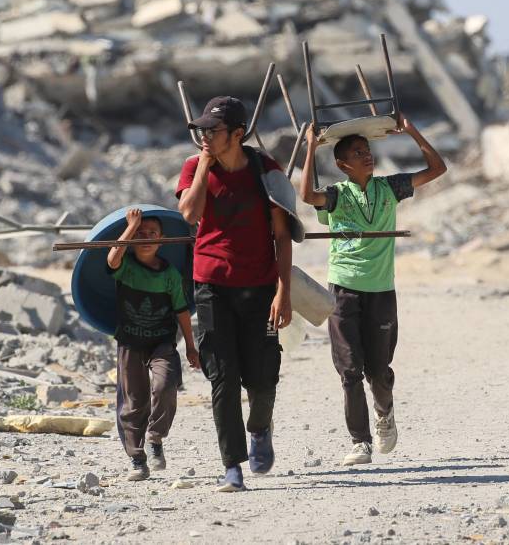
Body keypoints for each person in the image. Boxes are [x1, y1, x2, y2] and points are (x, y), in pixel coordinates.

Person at [299, 113, 446, 466]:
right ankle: (360, 441)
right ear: (342, 164)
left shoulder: (389, 188)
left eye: (368, 150)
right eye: (358, 152)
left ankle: (385, 411)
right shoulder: (336, 196)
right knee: (350, 369)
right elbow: (306, 196)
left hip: (381, 290)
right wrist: (309, 148)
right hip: (343, 290)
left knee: (378, 371)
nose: (367, 156)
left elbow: (437, 169)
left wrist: (412, 130)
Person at [176, 96, 293, 492]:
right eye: (202, 130)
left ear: (238, 134)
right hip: (212, 286)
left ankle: (260, 426)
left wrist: (284, 291)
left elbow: (282, 235)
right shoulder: (195, 167)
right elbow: (189, 215)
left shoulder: (265, 170)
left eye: (214, 130)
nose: (205, 137)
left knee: (262, 377)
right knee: (222, 377)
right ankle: (232, 467)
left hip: (260, 287)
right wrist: (205, 165)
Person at [107, 208, 200, 481]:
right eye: (140, 234)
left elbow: (182, 310)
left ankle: (155, 438)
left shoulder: (169, 274)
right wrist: (130, 226)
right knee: (134, 402)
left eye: (152, 234)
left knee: (165, 385)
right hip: (130, 343)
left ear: (162, 240)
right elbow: (112, 259)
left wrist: (191, 348)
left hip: (162, 342)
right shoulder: (126, 267)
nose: (146, 238)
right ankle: (137, 458)